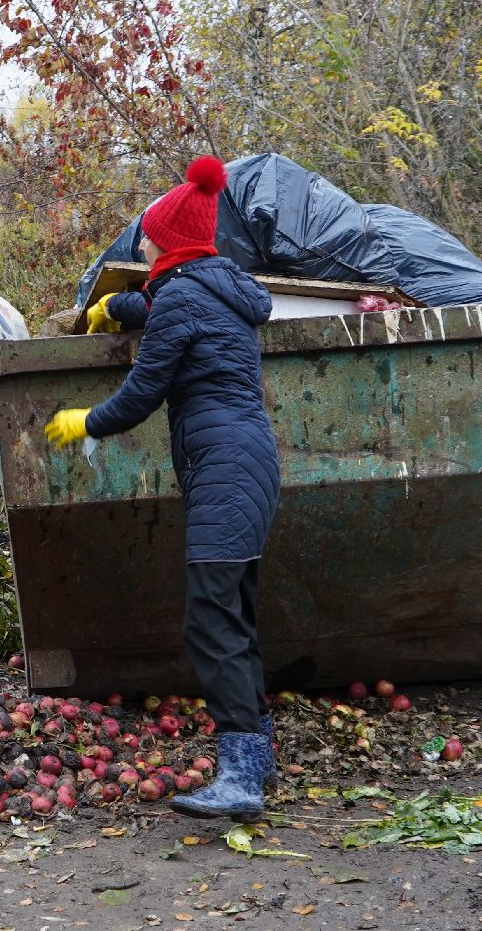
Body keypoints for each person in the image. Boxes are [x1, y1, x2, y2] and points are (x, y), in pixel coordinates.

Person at [45, 156, 281, 822]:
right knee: (231, 614)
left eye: (150, 236)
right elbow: (154, 303)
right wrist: (110, 309)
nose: (143, 244)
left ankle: (240, 775)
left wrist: (81, 422)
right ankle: (255, 759)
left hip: (226, 471)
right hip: (248, 463)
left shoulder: (180, 297)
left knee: (209, 622)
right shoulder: (213, 287)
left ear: (170, 243)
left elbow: (141, 395)